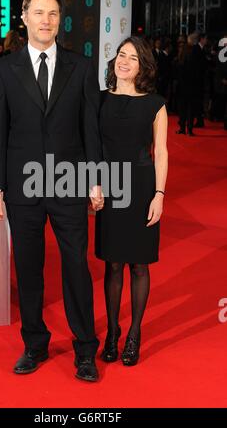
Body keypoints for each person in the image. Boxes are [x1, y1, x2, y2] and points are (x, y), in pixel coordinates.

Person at [0, 0, 103, 382]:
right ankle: (34, 343)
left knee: (76, 266)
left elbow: (91, 129)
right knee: (29, 268)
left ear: (59, 19)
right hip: (22, 188)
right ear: (24, 17)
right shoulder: (4, 69)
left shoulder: (81, 67)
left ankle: (85, 348)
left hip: (70, 183)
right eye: (38, 13)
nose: (46, 20)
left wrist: (95, 180)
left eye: (53, 13)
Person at [95, 37, 168, 366]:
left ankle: (134, 335)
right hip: (110, 188)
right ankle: (112, 333)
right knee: (112, 263)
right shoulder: (98, 101)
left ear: (144, 67)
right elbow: (90, 147)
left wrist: (160, 195)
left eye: (133, 58)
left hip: (141, 187)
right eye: (121, 55)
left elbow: (161, 152)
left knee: (139, 264)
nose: (124, 61)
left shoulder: (155, 104)